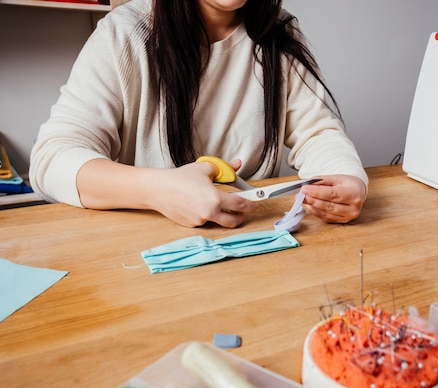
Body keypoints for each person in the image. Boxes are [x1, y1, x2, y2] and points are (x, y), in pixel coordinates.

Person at [29, 0, 368, 228]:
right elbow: (52, 159)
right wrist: (155, 190)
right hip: (143, 250)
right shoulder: (123, 33)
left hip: (253, 241)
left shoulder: (278, 34)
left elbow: (318, 133)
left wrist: (346, 178)